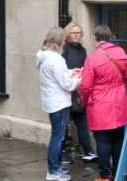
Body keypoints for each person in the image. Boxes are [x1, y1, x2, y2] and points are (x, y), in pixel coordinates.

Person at [80, 24, 127, 181]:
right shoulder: (121, 53)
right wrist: (117, 89)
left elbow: (85, 86)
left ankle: (104, 175)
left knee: (102, 141)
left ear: (95, 39)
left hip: (100, 105)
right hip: (119, 103)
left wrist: (84, 101)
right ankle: (117, 172)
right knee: (118, 139)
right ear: (110, 38)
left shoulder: (93, 58)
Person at [37, 26, 81, 181]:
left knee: (57, 136)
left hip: (51, 101)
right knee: (57, 137)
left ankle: (56, 166)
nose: (64, 42)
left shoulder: (44, 56)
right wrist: (79, 77)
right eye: (63, 39)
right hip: (59, 103)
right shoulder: (56, 59)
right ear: (58, 41)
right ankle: (53, 171)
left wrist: (71, 72)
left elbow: (57, 77)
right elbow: (68, 85)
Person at [62, 22, 98, 163]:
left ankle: (88, 151)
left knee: (82, 122)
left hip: (78, 90)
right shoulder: (64, 49)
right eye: (73, 33)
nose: (76, 35)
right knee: (63, 125)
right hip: (65, 90)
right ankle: (63, 152)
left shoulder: (82, 50)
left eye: (78, 33)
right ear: (68, 34)